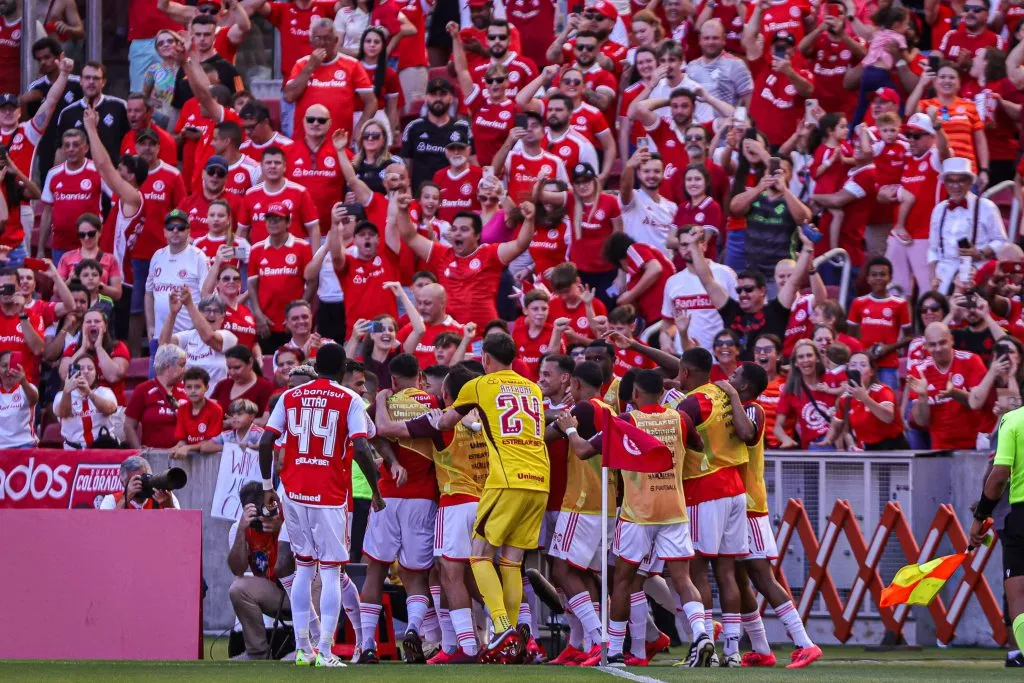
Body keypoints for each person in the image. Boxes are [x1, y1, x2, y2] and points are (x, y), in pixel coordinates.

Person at [259, 343, 385, 668]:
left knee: (303, 568)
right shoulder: (350, 399)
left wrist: (266, 487)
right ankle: (326, 651)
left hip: (295, 491)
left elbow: (265, 441)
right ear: (343, 368)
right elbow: (360, 447)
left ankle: (304, 648)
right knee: (331, 572)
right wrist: (376, 491)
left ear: (316, 368)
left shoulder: (291, 395)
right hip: (329, 494)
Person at [430, 334, 548, 662]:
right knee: (511, 562)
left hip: (506, 480)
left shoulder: (479, 385)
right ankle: (511, 633)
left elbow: (445, 421)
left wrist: (452, 417)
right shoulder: (533, 388)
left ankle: (500, 628)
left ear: (484, 359)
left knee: (479, 557)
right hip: (540, 480)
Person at [359, 355, 439, 663]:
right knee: (416, 574)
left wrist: (391, 462)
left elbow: (369, 435)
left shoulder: (384, 404)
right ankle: (414, 630)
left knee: (376, 568)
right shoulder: (433, 401)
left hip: (388, 495)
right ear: (420, 376)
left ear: (393, 380)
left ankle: (367, 645)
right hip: (423, 497)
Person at [397, 198, 536, 332]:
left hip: (481, 338)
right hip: (450, 337)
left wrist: (529, 219)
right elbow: (410, 237)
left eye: (464, 229)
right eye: (455, 229)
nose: (457, 233)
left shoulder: (490, 254)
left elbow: (520, 244)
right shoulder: (441, 254)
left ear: (477, 235)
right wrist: (403, 211)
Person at [689, 227, 812, 360]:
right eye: (739, 290)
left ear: (762, 291)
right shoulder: (731, 310)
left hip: (769, 375)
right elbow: (707, 281)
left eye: (748, 289)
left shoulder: (776, 310)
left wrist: (807, 247)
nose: (742, 294)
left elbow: (794, 282)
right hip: (736, 376)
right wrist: (695, 247)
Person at [970, 397, 1024, 663]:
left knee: (1018, 590)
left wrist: (981, 513)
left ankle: (1022, 650)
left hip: (1020, 514)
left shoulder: (1012, 421)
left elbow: (998, 474)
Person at [227, 480, 294, 661]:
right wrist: (242, 531)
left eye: (263, 511)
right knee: (238, 588)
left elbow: (302, 562)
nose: (261, 518)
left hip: (300, 590)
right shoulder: (240, 528)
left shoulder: (289, 521)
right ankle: (257, 652)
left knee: (319, 577)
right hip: (275, 593)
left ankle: (310, 648)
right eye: (255, 513)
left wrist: (281, 529)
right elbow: (237, 569)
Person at [907, 322, 990, 450]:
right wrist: (923, 396)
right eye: (933, 345)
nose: (938, 348)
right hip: (941, 447)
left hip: (976, 444)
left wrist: (955, 393)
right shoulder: (919, 370)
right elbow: (921, 421)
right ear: (925, 346)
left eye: (942, 342)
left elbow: (979, 403)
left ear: (952, 340)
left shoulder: (971, 360)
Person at [928, 157, 1007, 293]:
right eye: (950, 181)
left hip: (976, 270)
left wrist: (980, 253)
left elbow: (1002, 242)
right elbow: (933, 249)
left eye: (961, 180)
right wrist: (934, 276)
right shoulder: (939, 210)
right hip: (944, 273)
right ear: (944, 183)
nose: (955, 186)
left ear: (970, 183)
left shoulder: (986, 207)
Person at [247, 203, 314, 352]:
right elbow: (252, 285)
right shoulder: (256, 249)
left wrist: (295, 317)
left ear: (288, 222)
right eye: (269, 219)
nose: (272, 223)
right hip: (266, 324)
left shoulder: (302, 247)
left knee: (297, 365)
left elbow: (312, 283)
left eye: (278, 219)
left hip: (293, 325)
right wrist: (258, 315)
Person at [145, 210, 210, 359]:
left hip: (187, 338)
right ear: (164, 232)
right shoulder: (157, 256)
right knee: (157, 381)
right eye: (170, 227)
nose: (175, 231)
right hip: (160, 337)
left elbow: (206, 297)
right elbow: (149, 293)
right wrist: (150, 326)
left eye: (180, 227)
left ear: (188, 231)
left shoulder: (198, 257)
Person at [449, 25, 516, 168]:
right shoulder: (478, 101)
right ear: (485, 83)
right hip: (476, 168)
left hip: (502, 172)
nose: (495, 84)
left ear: (507, 82)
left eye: (499, 80)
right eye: (490, 81)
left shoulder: (514, 109)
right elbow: (462, 70)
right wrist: (455, 37)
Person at [907, 62, 987, 181]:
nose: (947, 81)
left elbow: (980, 141)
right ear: (935, 81)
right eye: (942, 77)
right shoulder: (926, 105)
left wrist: (984, 170)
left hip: (967, 172)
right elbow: (909, 113)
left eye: (952, 77)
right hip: (937, 172)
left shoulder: (970, 105)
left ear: (959, 83)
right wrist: (921, 84)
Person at [846, 257, 911, 390]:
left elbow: (909, 337)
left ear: (890, 278)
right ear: (868, 278)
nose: (878, 278)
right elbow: (851, 337)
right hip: (863, 366)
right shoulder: (859, 303)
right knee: (862, 402)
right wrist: (864, 353)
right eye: (874, 275)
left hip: (888, 365)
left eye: (882, 274)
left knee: (887, 403)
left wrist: (888, 348)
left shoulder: (900, 304)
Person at [37, 129, 102, 261]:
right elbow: (47, 213)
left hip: (89, 245)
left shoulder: (97, 171)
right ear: (62, 150)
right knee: (60, 282)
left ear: (86, 148)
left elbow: (114, 201)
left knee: (89, 281)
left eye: (76, 145)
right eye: (67, 145)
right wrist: (40, 249)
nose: (71, 149)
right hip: (60, 247)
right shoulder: (53, 174)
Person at [824, 351, 907, 450]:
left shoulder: (882, 390)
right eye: (853, 365)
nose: (857, 368)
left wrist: (865, 398)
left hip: (893, 448)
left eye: (863, 365)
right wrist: (827, 441)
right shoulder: (845, 398)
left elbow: (888, 417)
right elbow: (836, 425)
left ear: (871, 371)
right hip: (867, 449)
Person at [160, 288, 238, 394]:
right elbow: (164, 347)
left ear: (223, 317)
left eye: (216, 311)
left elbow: (209, 338)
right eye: (207, 310)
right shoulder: (188, 336)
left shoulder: (229, 337)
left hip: (216, 402)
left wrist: (189, 305)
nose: (211, 314)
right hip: (189, 401)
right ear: (199, 313)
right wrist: (173, 313)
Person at [401, 78, 473, 192]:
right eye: (433, 94)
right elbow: (405, 169)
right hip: (420, 196)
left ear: (451, 98)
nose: (438, 99)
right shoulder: (413, 127)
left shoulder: (462, 127)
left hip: (453, 195)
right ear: (426, 97)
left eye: (443, 94)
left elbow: (473, 165)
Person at [238, 147, 320, 246]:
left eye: (277, 163)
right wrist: (240, 258)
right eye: (268, 163)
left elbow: (313, 228)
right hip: (259, 259)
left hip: (293, 258)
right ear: (262, 167)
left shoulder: (300, 192)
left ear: (285, 166)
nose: (273, 166)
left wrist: (315, 259)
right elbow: (241, 233)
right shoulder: (250, 194)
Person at [56, 61, 130, 165]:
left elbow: (129, 142)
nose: (91, 82)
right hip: (80, 177)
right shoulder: (67, 113)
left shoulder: (119, 106)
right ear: (81, 81)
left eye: (96, 78)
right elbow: (61, 151)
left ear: (103, 82)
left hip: (112, 175)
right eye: (87, 77)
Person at [59, 308, 132, 404]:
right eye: (88, 322)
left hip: (113, 409)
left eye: (97, 321)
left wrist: (99, 348)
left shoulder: (118, 347)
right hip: (79, 408)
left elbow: (113, 376)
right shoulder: (72, 349)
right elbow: (64, 375)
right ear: (82, 327)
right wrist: (83, 349)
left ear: (105, 327)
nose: (93, 324)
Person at [124, 343, 188, 449]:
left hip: (183, 455)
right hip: (153, 456)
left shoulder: (187, 389)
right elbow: (128, 425)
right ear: (167, 365)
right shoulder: (143, 390)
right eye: (181, 365)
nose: (185, 369)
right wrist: (140, 451)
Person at [775, 339, 835, 450]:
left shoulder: (832, 379)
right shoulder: (792, 390)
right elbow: (777, 427)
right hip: (813, 446)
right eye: (801, 357)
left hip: (838, 442)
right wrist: (785, 439)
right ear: (796, 363)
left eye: (809, 355)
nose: (805, 360)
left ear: (817, 358)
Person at [619, 146, 676, 258]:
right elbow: (625, 187)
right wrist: (629, 166)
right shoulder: (632, 199)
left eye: (656, 171)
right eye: (646, 171)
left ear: (663, 174)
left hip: (666, 269)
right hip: (638, 268)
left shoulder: (672, 207)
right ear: (638, 174)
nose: (651, 175)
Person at [54, 353, 119, 449]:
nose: (86, 371)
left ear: (96, 374)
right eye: (81, 368)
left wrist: (89, 393)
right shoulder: (61, 395)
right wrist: (67, 392)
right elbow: (63, 413)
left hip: (103, 448)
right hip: (73, 451)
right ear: (73, 372)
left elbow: (110, 409)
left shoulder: (105, 392)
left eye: (90, 368)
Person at [56, 215, 124, 300]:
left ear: (99, 232)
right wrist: (70, 280)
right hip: (74, 304)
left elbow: (117, 294)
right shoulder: (67, 257)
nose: (86, 238)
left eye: (91, 234)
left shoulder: (110, 259)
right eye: (82, 235)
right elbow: (56, 290)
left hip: (99, 306)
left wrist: (99, 286)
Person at [212, 344, 276, 416]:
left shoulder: (265, 387)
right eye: (229, 368)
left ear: (250, 363)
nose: (232, 373)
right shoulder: (222, 385)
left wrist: (231, 423)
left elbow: (265, 420)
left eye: (237, 367)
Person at [99, 455, 181, 509]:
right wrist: (125, 499)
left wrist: (170, 506)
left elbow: (179, 527)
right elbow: (106, 527)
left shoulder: (164, 496)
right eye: (136, 480)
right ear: (122, 482)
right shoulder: (112, 500)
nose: (143, 484)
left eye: (147, 478)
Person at [0, 349, 38, 448]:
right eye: (4, 366)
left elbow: (34, 399)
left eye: (12, 365)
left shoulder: (27, 388)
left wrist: (23, 381)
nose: (8, 369)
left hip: (24, 445)